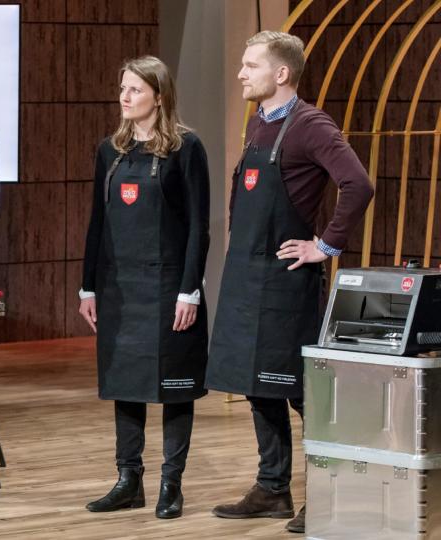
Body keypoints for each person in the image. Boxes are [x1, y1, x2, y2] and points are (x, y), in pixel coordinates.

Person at [206, 31, 373, 534]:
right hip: (247, 277)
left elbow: (358, 185)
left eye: (250, 65)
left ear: (281, 74)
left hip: (286, 284)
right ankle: (272, 488)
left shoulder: (311, 124)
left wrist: (324, 246)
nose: (241, 73)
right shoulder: (260, 123)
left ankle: (325, 495)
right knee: (257, 385)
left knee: (300, 392)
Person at [79, 55, 210, 520]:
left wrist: (189, 290)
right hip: (119, 288)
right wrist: (87, 287)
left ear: (159, 94)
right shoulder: (108, 151)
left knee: (175, 390)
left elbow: (199, 227)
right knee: (126, 384)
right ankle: (127, 480)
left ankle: (171, 485)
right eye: (122, 89)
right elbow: (97, 222)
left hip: (170, 288)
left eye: (134, 89)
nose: (125, 97)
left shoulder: (186, 148)